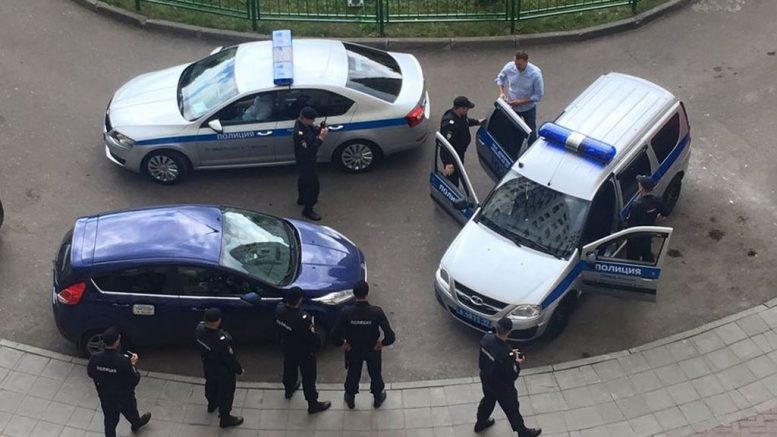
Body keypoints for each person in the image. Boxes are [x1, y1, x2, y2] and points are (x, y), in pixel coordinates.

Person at [331, 280, 396, 409]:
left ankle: (350, 398)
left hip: (353, 348)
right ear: (367, 294)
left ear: (354, 294)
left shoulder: (346, 312)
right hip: (372, 348)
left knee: (353, 373)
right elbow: (390, 335)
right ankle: (377, 398)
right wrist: (382, 343)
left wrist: (342, 343)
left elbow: (334, 334)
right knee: (375, 373)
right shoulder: (376, 312)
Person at [474, 318, 541, 437]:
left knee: (488, 399)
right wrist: (517, 362)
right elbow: (512, 375)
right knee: (512, 408)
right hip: (502, 386)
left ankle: (481, 421)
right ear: (509, 332)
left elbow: (494, 352)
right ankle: (523, 432)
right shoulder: (506, 354)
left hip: (486, 377)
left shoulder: (486, 338)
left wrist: (509, 353)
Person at [275, 287, 331, 414]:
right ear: (299, 300)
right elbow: (312, 338)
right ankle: (313, 404)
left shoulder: (279, 310)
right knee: (309, 378)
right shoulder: (303, 319)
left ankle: (289, 389)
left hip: (287, 347)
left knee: (289, 368)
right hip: (304, 353)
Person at [87, 327, 151, 437]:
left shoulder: (95, 358)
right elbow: (134, 379)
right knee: (131, 414)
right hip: (124, 398)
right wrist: (133, 365)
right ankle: (136, 424)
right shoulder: (123, 362)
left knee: (110, 423)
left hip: (106, 398)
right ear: (117, 342)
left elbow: (90, 373)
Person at [194, 307, 244, 428]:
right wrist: (239, 370)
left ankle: (212, 404)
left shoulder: (199, 330)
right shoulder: (222, 340)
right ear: (218, 321)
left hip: (208, 365)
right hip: (223, 371)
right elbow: (230, 359)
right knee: (226, 393)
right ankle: (225, 418)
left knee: (210, 384)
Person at [495, 51, 544, 146]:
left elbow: (538, 95)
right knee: (511, 128)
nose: (517, 67)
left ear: (526, 62)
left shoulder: (535, 74)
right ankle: (514, 148)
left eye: (519, 64)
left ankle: (531, 149)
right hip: (512, 106)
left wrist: (520, 102)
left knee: (531, 131)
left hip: (528, 108)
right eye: (515, 63)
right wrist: (502, 93)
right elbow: (500, 78)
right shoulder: (510, 67)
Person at [439, 96, 485, 187]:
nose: (468, 110)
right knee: (452, 179)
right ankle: (453, 197)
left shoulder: (461, 115)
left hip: (459, 152)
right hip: (452, 156)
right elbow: (445, 144)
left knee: (458, 171)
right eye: (466, 108)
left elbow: (466, 122)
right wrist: (448, 162)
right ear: (460, 108)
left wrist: (477, 122)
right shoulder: (449, 123)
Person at [294, 106, 329, 221]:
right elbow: (310, 150)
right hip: (306, 161)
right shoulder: (299, 134)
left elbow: (312, 130)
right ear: (304, 118)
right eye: (311, 120)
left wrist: (320, 129)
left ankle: (302, 199)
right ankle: (308, 210)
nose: (313, 122)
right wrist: (321, 139)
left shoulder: (302, 124)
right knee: (313, 186)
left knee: (303, 180)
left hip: (303, 161)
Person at [625, 175, 670, 262]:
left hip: (635, 238)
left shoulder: (636, 205)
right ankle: (650, 272)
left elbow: (630, 225)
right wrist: (654, 220)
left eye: (639, 184)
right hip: (647, 235)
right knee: (647, 254)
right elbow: (666, 214)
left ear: (641, 188)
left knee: (632, 260)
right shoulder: (657, 201)